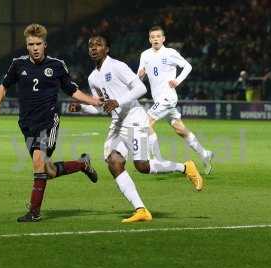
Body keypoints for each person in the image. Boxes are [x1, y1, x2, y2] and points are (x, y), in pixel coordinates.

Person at [70, 35, 203, 223]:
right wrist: (82, 106)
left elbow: (141, 88)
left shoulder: (117, 66)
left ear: (107, 49)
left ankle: (185, 167)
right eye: (90, 45)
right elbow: (101, 106)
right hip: (117, 124)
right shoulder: (93, 78)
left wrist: (118, 101)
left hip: (135, 120)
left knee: (143, 166)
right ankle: (141, 210)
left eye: (98, 45)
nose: (93, 48)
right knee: (114, 162)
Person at [0, 24, 102, 222]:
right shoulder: (18, 64)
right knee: (47, 170)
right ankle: (82, 164)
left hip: (48, 120)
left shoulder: (57, 65)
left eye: (38, 44)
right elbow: (3, 86)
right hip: (26, 123)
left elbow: (72, 90)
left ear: (45, 44)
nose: (35, 47)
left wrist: (93, 101)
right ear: (27, 46)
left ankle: (34, 212)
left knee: (38, 162)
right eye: (31, 44)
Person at [138, 26, 214, 175]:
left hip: (168, 96)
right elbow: (140, 75)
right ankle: (204, 154)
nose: (155, 39)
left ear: (163, 38)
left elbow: (187, 66)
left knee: (146, 123)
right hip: (158, 99)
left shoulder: (170, 53)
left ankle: (158, 161)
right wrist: (140, 74)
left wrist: (177, 80)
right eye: (152, 37)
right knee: (180, 129)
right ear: (149, 39)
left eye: (158, 36)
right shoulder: (145, 55)